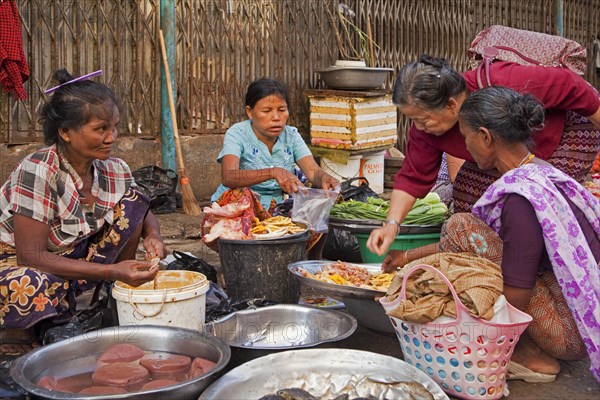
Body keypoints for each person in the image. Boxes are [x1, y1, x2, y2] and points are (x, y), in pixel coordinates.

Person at [384, 86, 600, 383]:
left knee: (461, 226)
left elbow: (517, 286)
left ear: (485, 136)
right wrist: (408, 257)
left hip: (570, 331)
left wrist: (489, 344)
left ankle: (528, 356)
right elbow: (488, 245)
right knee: (465, 232)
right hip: (583, 311)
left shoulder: (521, 198)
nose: (464, 145)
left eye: (465, 136)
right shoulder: (540, 170)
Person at [367, 54, 600, 257]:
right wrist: (391, 225)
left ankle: (538, 268)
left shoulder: (502, 81)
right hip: (507, 157)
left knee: (533, 207)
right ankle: (491, 261)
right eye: (413, 120)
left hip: (563, 134)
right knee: (468, 195)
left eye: (423, 119)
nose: (419, 127)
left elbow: (572, 86)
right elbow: (412, 177)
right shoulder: (426, 131)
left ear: (451, 104)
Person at [0, 69, 165, 353]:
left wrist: (154, 236)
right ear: (65, 132)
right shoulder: (38, 171)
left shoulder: (114, 169)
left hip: (70, 256)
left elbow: (140, 210)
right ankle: (21, 334)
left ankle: (114, 296)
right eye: (101, 129)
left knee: (133, 204)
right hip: (18, 261)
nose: (112, 137)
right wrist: (111, 270)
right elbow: (32, 256)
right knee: (30, 284)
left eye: (113, 127)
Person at [210, 78, 339, 258]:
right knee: (237, 196)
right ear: (249, 112)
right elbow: (229, 177)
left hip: (277, 207)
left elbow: (313, 171)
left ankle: (310, 262)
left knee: (319, 204)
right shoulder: (237, 133)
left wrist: (325, 179)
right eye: (267, 111)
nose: (276, 117)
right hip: (242, 206)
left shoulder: (291, 135)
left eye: (282, 110)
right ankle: (235, 260)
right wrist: (272, 172)